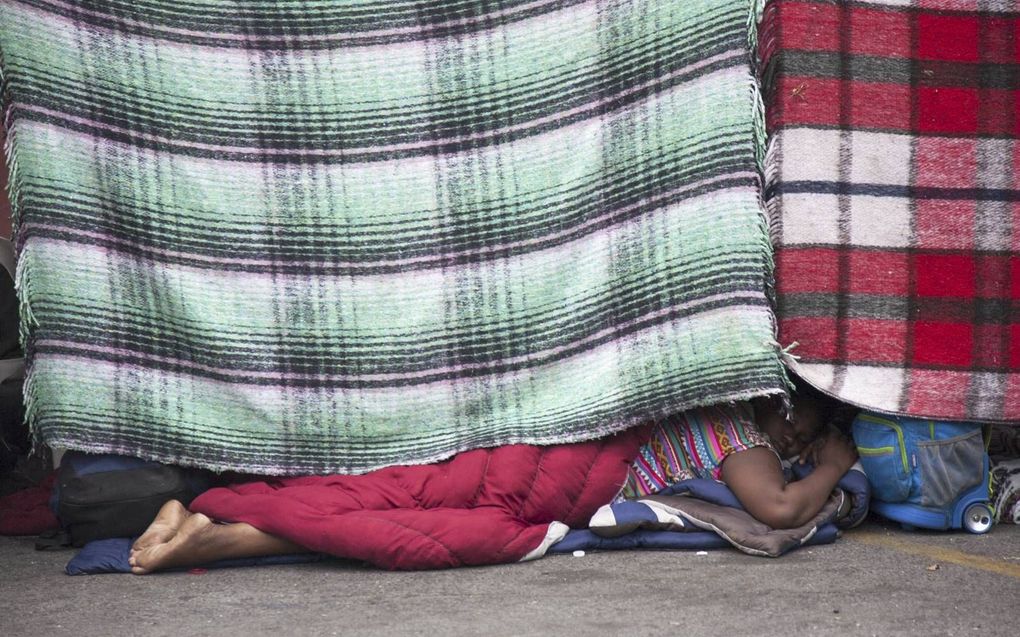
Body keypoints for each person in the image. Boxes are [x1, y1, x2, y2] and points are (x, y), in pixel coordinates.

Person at [129, 384, 858, 574]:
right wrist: (836, 460)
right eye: (796, 418)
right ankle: (210, 533)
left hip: (537, 459)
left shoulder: (723, 410)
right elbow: (779, 506)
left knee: (401, 496)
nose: (790, 434)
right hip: (554, 481)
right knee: (428, 534)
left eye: (805, 429)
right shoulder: (739, 429)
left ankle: (207, 521)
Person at [619, 384, 859, 529]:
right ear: (768, 398)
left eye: (802, 439)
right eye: (789, 420)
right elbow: (782, 508)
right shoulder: (740, 438)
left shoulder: (721, 408)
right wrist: (833, 466)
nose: (790, 439)